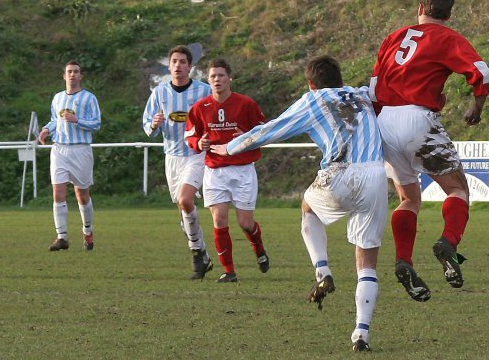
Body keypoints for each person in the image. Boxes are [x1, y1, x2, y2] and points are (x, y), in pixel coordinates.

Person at [213, 56, 387, 352]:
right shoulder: (361, 94)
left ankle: (323, 271)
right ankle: (361, 333)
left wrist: (228, 147)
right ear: (340, 78)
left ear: (311, 83)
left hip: (340, 172)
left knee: (308, 208)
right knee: (367, 261)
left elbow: (269, 130)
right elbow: (385, 91)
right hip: (376, 175)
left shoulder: (313, 99)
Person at [370, 0, 489, 301]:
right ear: (449, 14)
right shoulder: (448, 38)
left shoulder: (394, 38)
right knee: (457, 189)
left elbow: (373, 90)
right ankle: (448, 242)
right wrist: (476, 107)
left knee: (408, 198)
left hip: (385, 122)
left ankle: (404, 260)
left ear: (419, 9)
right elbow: (482, 72)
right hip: (418, 119)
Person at [185, 59, 269, 284]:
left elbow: (264, 131)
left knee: (245, 223)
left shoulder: (246, 104)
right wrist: (198, 143)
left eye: (221, 75)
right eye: (212, 76)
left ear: (229, 78)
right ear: (208, 80)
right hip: (215, 171)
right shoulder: (200, 108)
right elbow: (190, 135)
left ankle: (259, 249)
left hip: (242, 171)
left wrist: (247, 136)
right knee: (219, 219)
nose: (217, 80)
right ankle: (229, 271)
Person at [142, 45, 213, 279]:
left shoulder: (203, 91)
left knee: (185, 200)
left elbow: (215, 118)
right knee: (184, 212)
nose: (178, 65)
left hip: (195, 155)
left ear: (190, 67)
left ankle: (196, 258)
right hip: (171, 157)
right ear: (169, 66)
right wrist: (154, 123)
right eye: (174, 61)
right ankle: (202, 252)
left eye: (183, 61)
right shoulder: (160, 93)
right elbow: (147, 128)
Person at [38, 60, 101, 252]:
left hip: (80, 149)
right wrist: (46, 129)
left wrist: (77, 120)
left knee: (82, 194)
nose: (73, 75)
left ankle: (88, 231)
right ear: (64, 76)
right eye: (69, 72)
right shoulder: (57, 98)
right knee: (58, 192)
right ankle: (62, 237)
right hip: (60, 149)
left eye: (76, 72)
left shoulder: (89, 98)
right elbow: (54, 119)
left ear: (80, 76)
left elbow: (96, 123)